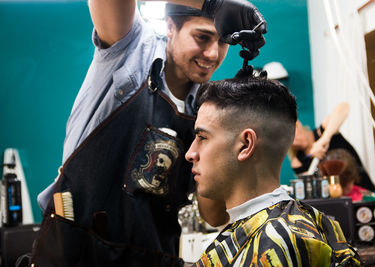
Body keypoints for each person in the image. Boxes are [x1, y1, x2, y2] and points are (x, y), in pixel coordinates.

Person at [30, 0, 266, 266]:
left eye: (222, 42)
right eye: (202, 37)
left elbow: (214, 216)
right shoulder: (131, 50)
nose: (212, 53)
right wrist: (212, 4)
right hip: (79, 252)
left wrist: (232, 150)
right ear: (169, 26)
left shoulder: (206, 108)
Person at [185, 75, 362, 266]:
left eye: (202, 137)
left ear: (246, 144)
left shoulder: (281, 242)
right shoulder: (278, 227)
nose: (190, 153)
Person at [289, 102, 375, 192]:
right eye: (289, 140)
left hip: (365, 190)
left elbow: (344, 107)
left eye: (293, 134)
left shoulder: (323, 131)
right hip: (337, 199)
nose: (295, 141)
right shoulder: (299, 161)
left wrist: (324, 139)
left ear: (297, 124)